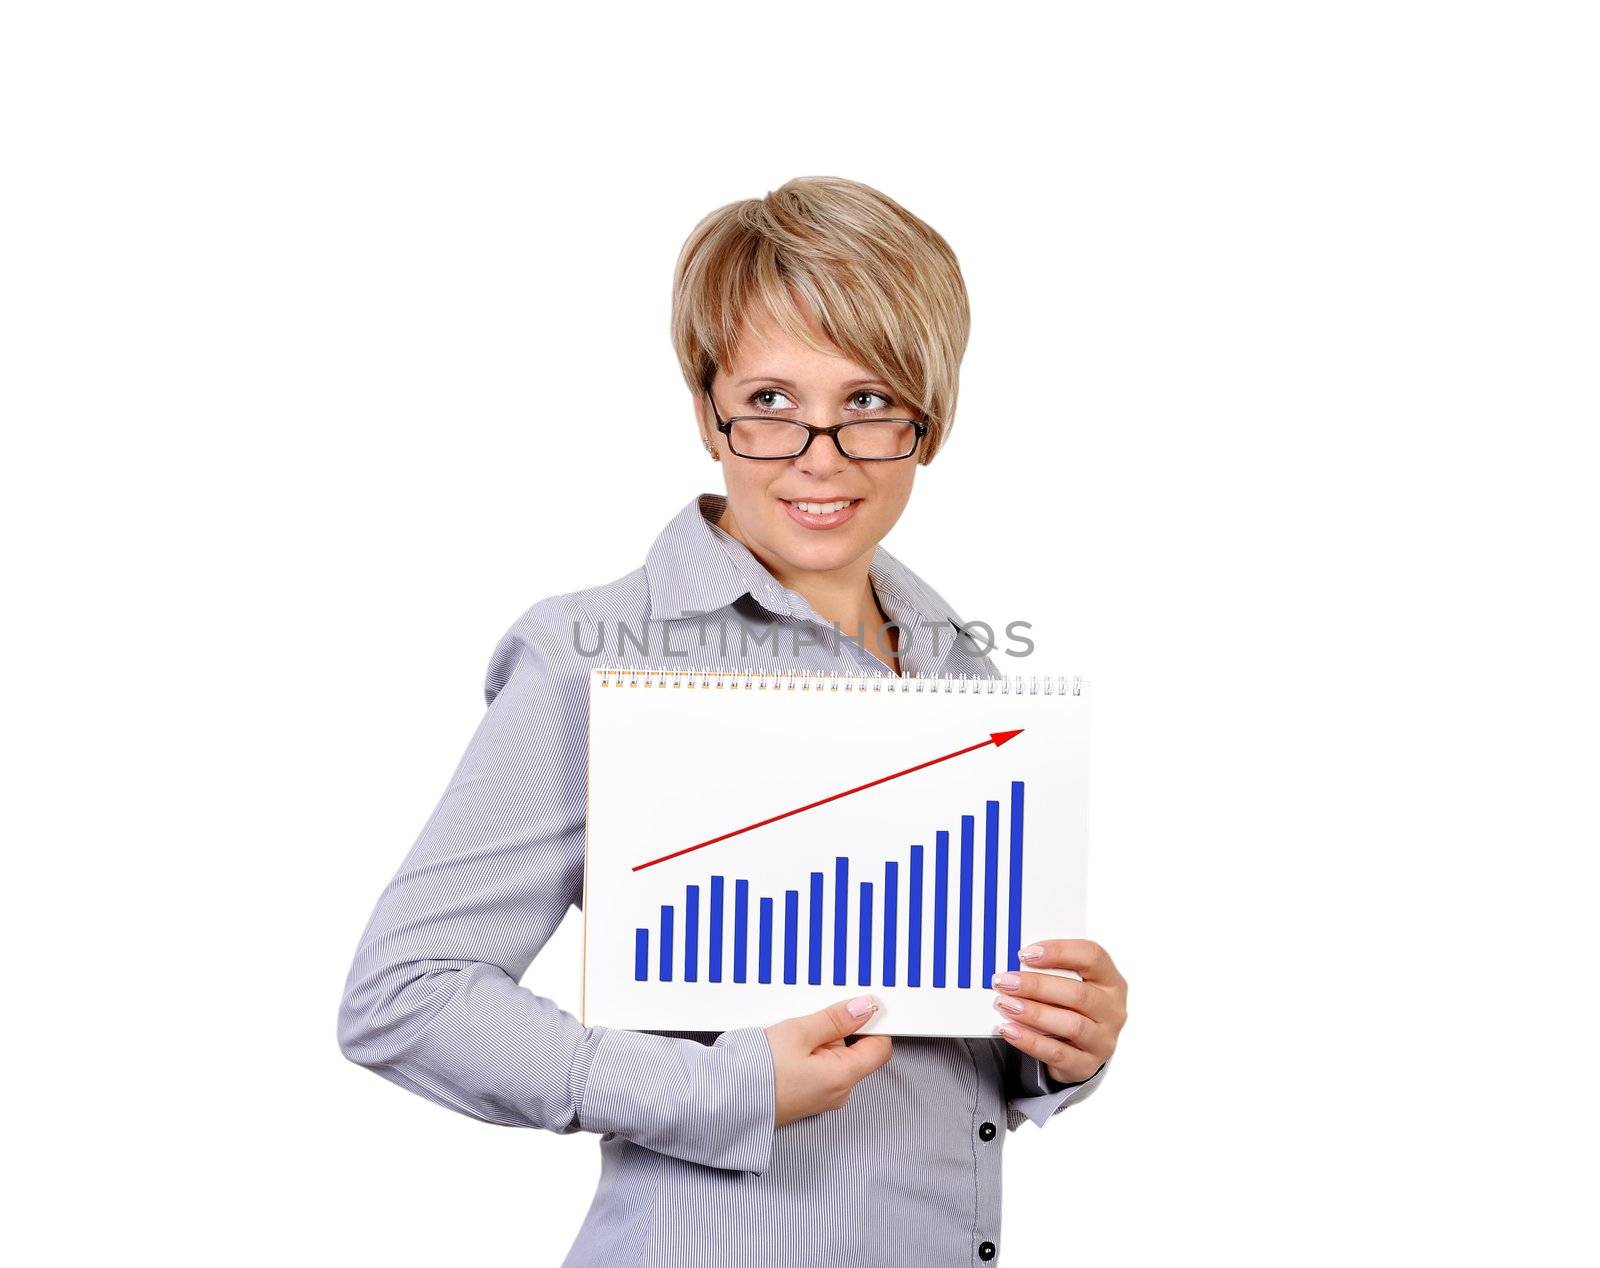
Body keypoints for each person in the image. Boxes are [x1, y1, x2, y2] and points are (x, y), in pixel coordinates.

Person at [337, 175, 1129, 1267]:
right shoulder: (594, 654)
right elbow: (402, 996)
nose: (818, 451)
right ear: (706, 409)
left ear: (928, 420)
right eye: (768, 402)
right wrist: (716, 1086)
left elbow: (929, 1048)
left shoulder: (963, 664)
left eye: (866, 402)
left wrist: (1056, 1046)